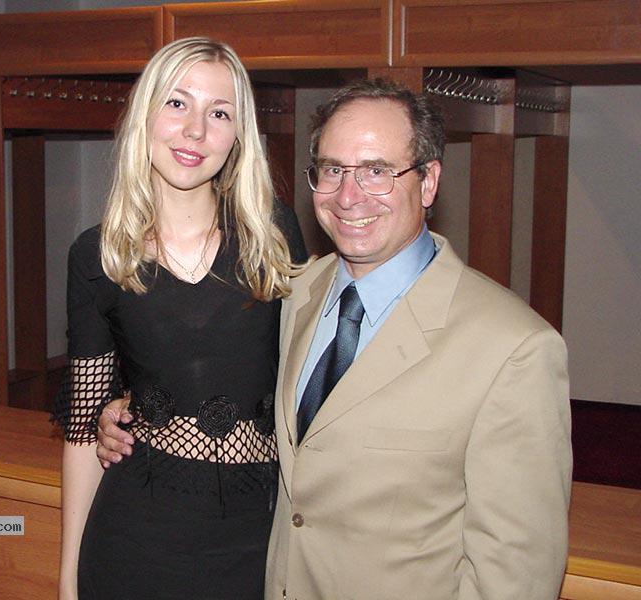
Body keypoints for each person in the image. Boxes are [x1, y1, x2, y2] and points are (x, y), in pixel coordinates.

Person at [98, 78, 572, 600]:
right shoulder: (288, 292)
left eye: (377, 171)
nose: (349, 196)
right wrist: (127, 408)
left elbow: (516, 576)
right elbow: (216, 374)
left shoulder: (514, 349)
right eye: (332, 170)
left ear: (429, 182)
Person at [53, 37, 306, 600]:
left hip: (257, 540)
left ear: (238, 136)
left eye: (219, 113)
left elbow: (309, 382)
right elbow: (84, 430)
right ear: (145, 115)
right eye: (177, 103)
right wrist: (68, 581)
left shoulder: (274, 237)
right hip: (134, 539)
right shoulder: (98, 255)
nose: (195, 131)